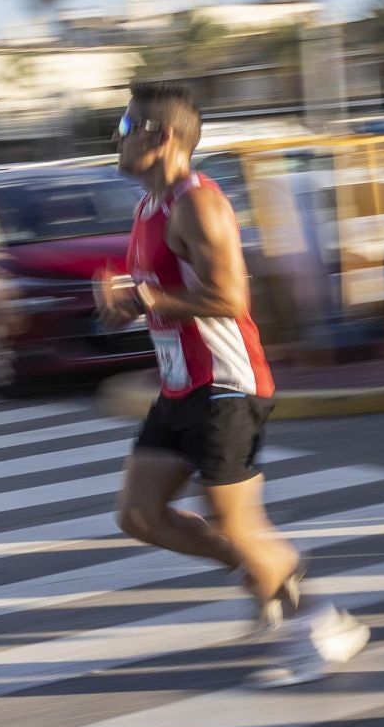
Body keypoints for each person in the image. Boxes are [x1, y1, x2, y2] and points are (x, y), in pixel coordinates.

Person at [97, 81, 367, 688]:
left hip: (225, 384)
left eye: (124, 124)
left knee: (241, 525)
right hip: (178, 385)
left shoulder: (200, 203)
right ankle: (265, 573)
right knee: (139, 514)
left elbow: (231, 297)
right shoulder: (148, 208)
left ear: (161, 136)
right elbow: (161, 298)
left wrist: (147, 297)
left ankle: (324, 622)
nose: (116, 137)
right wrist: (129, 305)